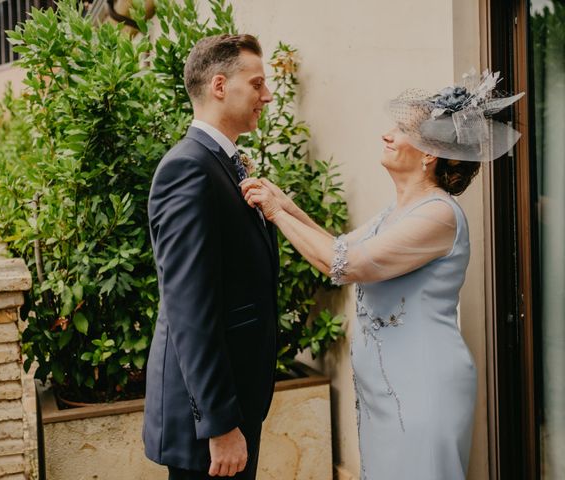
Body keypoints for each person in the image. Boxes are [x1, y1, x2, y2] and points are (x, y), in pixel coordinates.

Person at [241, 71, 523, 479]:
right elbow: (341, 247)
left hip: (422, 387)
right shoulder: (395, 213)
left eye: (401, 129)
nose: (387, 135)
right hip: (383, 391)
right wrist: (286, 204)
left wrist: (275, 212)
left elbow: (343, 266)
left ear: (430, 153)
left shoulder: (440, 214)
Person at [144, 34, 278, 480]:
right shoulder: (188, 169)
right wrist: (219, 424)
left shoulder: (222, 163)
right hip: (209, 421)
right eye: (257, 83)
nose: (267, 94)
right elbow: (189, 308)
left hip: (237, 398)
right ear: (220, 86)